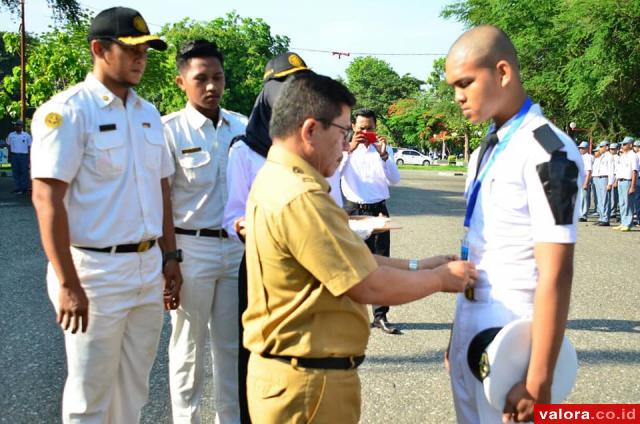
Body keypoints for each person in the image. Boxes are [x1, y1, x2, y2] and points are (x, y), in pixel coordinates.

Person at [243, 73, 477, 424]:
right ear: (310, 130)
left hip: (296, 376)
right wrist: (442, 279)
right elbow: (367, 284)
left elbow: (350, 258)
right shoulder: (301, 196)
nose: (346, 143)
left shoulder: (277, 179)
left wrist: (423, 265)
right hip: (308, 384)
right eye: (342, 133)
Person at [30, 7, 181, 423]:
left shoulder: (149, 114)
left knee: (133, 390)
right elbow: (47, 200)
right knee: (89, 395)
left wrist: (170, 258)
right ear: (99, 49)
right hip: (94, 271)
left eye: (145, 51)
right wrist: (67, 282)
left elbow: (161, 189)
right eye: (130, 49)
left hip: (148, 267)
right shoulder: (67, 112)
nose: (140, 58)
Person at [445, 25, 583, 423]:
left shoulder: (546, 151)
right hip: (472, 319)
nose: (457, 96)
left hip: (515, 331)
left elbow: (557, 272)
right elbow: (481, 245)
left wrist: (539, 381)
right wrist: (458, 333)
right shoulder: (485, 150)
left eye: (466, 82)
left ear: (502, 72)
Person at [222, 51, 312, 424]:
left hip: (310, 266)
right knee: (258, 352)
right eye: (286, 87)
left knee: (305, 353)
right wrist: (255, 227)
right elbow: (232, 217)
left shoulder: (309, 143)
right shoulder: (244, 150)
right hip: (262, 267)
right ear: (268, 94)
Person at [162, 40, 247, 423]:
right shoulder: (170, 131)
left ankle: (229, 419)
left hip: (233, 250)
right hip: (189, 250)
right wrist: (169, 259)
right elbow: (161, 199)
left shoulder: (242, 127)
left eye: (218, 77)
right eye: (201, 79)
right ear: (182, 82)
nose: (211, 86)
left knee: (231, 345)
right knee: (187, 348)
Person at [341, 108, 402, 334]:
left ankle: (380, 316)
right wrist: (349, 149)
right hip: (353, 210)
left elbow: (394, 179)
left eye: (370, 128)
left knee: (380, 265)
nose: (366, 132)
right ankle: (348, 315)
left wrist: (385, 156)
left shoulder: (384, 150)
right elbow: (333, 174)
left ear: (376, 129)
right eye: (361, 128)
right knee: (350, 265)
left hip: (378, 211)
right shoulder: (344, 149)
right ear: (353, 128)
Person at [612, 137, 638, 231]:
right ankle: (623, 222)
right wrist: (616, 181)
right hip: (621, 181)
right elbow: (619, 170)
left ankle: (628, 223)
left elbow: (634, 171)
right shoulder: (623, 156)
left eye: (624, 144)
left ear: (630, 145)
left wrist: (633, 186)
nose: (622, 146)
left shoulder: (633, 156)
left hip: (628, 181)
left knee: (628, 203)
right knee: (622, 203)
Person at [6, 119, 32, 194]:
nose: (18, 126)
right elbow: (9, 146)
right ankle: (17, 188)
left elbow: (29, 147)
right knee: (15, 172)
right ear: (15, 126)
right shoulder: (11, 135)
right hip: (14, 156)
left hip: (24, 156)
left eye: (19, 125)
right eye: (17, 125)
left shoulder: (27, 135)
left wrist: (30, 157)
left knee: (24, 172)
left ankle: (24, 188)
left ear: (22, 126)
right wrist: (9, 156)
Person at [592, 140, 614, 226]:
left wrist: (610, 183)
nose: (600, 148)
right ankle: (601, 217)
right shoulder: (601, 156)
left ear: (607, 147)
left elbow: (611, 170)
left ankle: (605, 219)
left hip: (605, 178)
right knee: (600, 199)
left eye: (601, 147)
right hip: (598, 178)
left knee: (605, 199)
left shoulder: (609, 156)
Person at [577, 141, 593, 222]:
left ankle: (583, 215)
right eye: (580, 148)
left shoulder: (588, 157)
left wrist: (586, 183)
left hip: (585, 180)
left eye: (582, 148)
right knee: (580, 198)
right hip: (580, 179)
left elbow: (589, 171)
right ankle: (580, 214)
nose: (581, 149)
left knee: (584, 198)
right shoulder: (581, 157)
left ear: (587, 149)